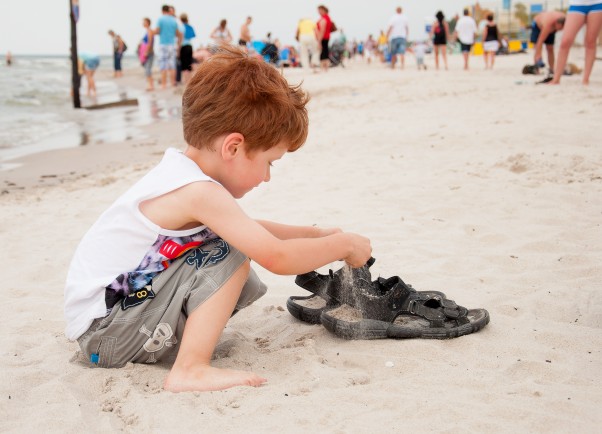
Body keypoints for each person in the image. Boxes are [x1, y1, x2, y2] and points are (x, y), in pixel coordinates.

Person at [64, 45, 372, 393]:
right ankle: (190, 369)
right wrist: (342, 245)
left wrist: (316, 235)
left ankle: (186, 354)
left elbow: (253, 229)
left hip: (108, 327)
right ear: (233, 148)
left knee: (232, 243)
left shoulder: (184, 175)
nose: (267, 177)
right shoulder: (198, 192)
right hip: (107, 333)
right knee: (233, 253)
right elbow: (276, 256)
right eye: (269, 162)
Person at [551, 1, 602, 85]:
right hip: (577, 4)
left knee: (590, 42)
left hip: (597, 3)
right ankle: (556, 79)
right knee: (565, 41)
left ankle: (586, 79)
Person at [154, 4, 182, 89]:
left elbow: (157, 31)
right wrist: (178, 43)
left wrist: (153, 32)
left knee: (163, 64)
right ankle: (173, 83)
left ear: (162, 11)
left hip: (163, 44)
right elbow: (178, 34)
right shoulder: (174, 20)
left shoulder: (160, 19)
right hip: (172, 44)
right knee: (172, 64)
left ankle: (164, 84)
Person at [179, 13, 196, 84]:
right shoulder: (190, 26)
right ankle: (190, 80)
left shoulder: (181, 27)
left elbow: (180, 38)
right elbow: (193, 35)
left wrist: (178, 48)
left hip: (183, 46)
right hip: (190, 46)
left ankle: (186, 80)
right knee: (189, 63)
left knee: (184, 64)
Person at [316, 5, 333, 72]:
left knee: (323, 52)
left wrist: (319, 41)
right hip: (326, 37)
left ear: (323, 10)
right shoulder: (327, 18)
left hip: (323, 37)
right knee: (325, 51)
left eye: (319, 10)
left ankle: (324, 67)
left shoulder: (324, 19)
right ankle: (325, 67)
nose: (318, 12)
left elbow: (322, 30)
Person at [139, 18, 155, 91]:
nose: (143, 23)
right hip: (147, 52)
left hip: (149, 53)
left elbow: (150, 42)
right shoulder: (147, 31)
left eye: (144, 22)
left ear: (148, 23)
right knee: (147, 69)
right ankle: (150, 85)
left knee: (148, 69)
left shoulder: (149, 31)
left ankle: (151, 85)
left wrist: (146, 52)